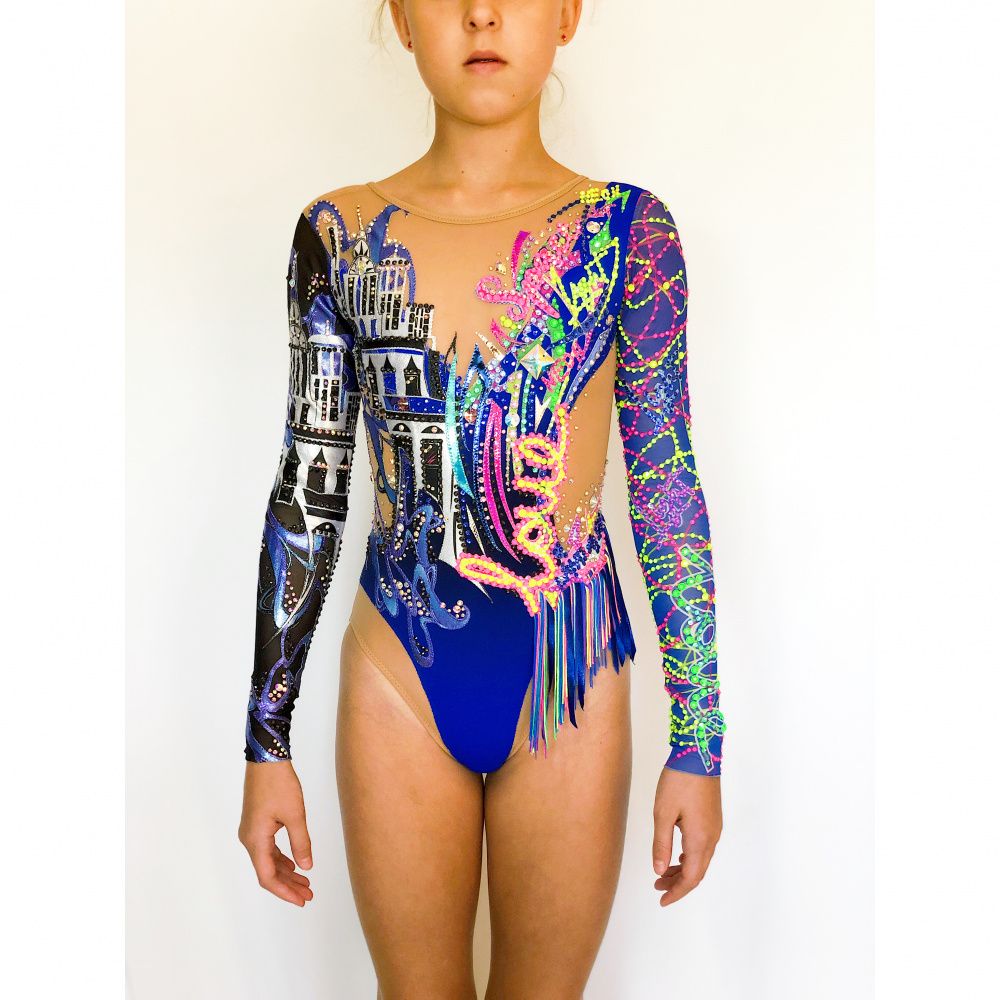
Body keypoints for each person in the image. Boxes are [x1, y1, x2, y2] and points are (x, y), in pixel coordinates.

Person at [238, 1, 726, 996]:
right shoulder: (337, 235)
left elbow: (665, 484)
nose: (482, 12)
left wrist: (700, 739)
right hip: (399, 681)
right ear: (402, 19)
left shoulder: (629, 233)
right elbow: (308, 486)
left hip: (569, 678)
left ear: (568, 14)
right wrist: (264, 741)